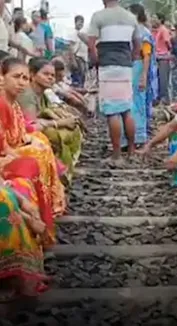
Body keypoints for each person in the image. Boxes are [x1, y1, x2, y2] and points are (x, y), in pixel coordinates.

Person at [0, 57, 66, 220]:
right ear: (3, 77)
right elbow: (5, 146)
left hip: (11, 148)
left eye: (25, 78)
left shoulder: (14, 104)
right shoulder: (3, 104)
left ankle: (51, 204)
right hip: (4, 155)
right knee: (38, 152)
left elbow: (21, 130)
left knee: (40, 143)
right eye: (16, 77)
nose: (22, 82)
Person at [16, 58, 84, 184]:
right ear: (32, 75)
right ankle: (56, 173)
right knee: (56, 134)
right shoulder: (27, 94)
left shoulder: (43, 94)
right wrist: (60, 123)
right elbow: (31, 124)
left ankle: (62, 171)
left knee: (72, 128)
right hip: (25, 133)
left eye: (52, 75)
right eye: (45, 74)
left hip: (37, 127)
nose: (51, 78)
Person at [87, 0, 139, 163]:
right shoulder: (131, 17)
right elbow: (137, 43)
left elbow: (91, 44)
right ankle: (131, 150)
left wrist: (96, 61)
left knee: (112, 110)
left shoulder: (98, 16)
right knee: (127, 109)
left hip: (107, 65)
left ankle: (116, 154)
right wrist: (131, 58)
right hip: (125, 66)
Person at [127, 3, 158, 148]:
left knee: (138, 101)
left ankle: (139, 135)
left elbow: (146, 56)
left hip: (139, 67)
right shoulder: (134, 30)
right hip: (134, 67)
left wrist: (143, 76)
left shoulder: (142, 32)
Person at [151, 13, 172, 105]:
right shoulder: (156, 30)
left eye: (155, 18)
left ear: (160, 20)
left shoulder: (163, 30)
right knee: (157, 79)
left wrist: (166, 51)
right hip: (157, 57)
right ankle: (158, 98)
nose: (153, 20)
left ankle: (164, 99)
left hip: (163, 57)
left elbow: (168, 42)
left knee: (163, 80)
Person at [67, 15, 89, 89]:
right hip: (77, 58)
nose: (81, 24)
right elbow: (70, 47)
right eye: (79, 22)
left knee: (82, 80)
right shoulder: (73, 33)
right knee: (77, 81)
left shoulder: (83, 34)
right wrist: (73, 60)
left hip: (83, 59)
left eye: (82, 23)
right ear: (75, 22)